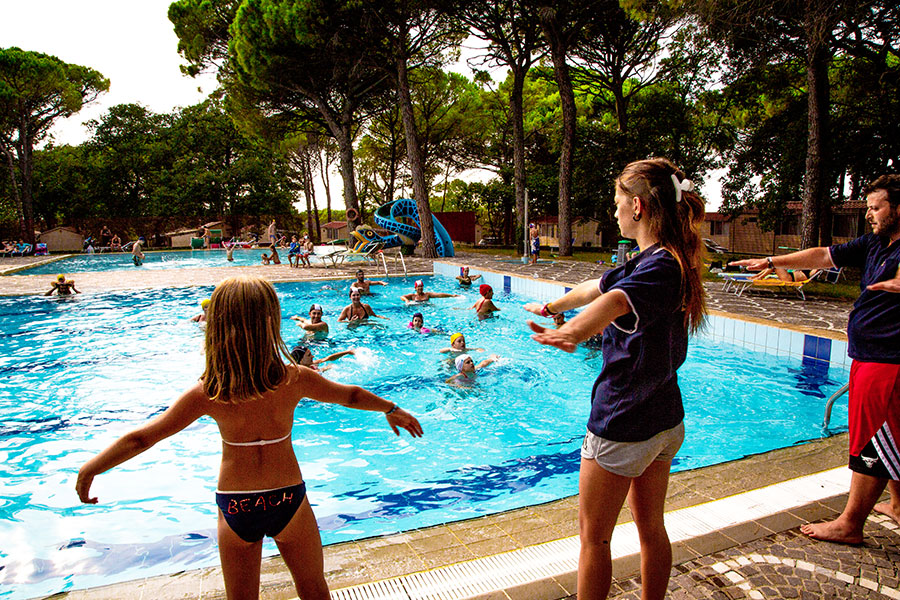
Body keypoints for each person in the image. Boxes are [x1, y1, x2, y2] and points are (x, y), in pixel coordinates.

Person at [75, 276, 423, 600]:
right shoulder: (294, 379)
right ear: (271, 323)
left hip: (236, 504)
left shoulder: (208, 392)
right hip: (287, 498)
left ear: (217, 327)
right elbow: (350, 395)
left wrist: (91, 468)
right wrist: (390, 408)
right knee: (314, 589)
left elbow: (142, 438)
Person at [525, 158, 706, 600]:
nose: (615, 212)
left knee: (595, 539)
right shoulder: (660, 258)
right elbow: (596, 286)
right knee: (650, 529)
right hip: (664, 419)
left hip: (624, 421)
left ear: (639, 206)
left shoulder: (659, 267)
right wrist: (553, 308)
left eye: (617, 203)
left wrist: (573, 332)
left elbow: (618, 301)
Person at [730, 173, 900, 545]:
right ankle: (898, 505)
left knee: (872, 440)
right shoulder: (876, 243)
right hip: (871, 356)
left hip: (888, 362)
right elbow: (824, 255)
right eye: (868, 207)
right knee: (891, 436)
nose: (869, 214)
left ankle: (851, 523)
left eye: (876, 208)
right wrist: (773, 260)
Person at [289, 344, 354, 372]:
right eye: (309, 355)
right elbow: (315, 373)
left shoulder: (311, 364)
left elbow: (327, 358)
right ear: (301, 361)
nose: (313, 356)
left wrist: (347, 352)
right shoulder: (300, 372)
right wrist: (325, 368)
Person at [750, 266, 821, 282]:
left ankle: (759, 277)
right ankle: (757, 276)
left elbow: (814, 273)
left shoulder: (810, 272)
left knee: (774, 266)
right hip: (789, 276)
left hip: (790, 278)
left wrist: (820, 266)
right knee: (771, 265)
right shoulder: (806, 267)